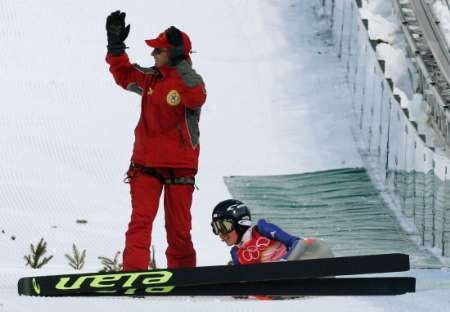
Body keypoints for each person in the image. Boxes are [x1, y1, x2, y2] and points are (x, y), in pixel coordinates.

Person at [105, 11, 206, 270]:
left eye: (158, 50)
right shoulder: (150, 78)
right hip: (145, 165)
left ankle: (184, 278)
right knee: (140, 222)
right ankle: (133, 274)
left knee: (179, 230)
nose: (153, 55)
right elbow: (124, 74)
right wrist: (115, 46)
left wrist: (180, 61)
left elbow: (196, 97)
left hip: (180, 167)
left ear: (173, 53)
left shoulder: (190, 81)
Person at [211, 199, 334, 265]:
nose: (220, 233)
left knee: (312, 246)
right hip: (278, 280)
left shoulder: (262, 229)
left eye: (223, 226)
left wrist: (283, 263)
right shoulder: (236, 253)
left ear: (241, 222)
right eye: (215, 228)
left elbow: (297, 243)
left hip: (303, 258)